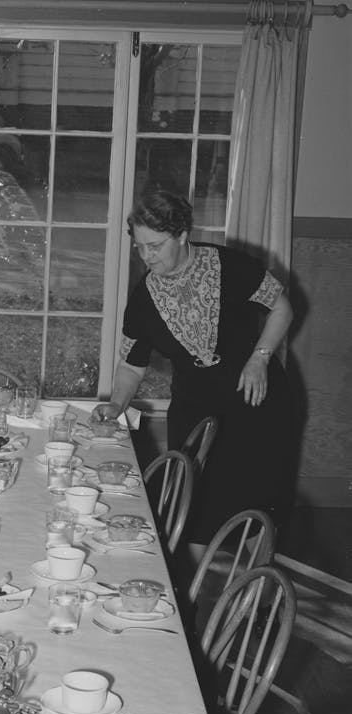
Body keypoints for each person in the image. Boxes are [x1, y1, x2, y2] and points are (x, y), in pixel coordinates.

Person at [94, 189, 293, 564]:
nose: (146, 257)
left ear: (182, 234)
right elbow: (131, 365)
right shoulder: (143, 299)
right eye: (139, 247)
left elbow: (282, 307)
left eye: (155, 246)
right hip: (197, 412)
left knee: (258, 508)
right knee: (194, 508)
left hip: (256, 400)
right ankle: (192, 604)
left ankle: (258, 596)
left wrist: (260, 358)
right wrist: (117, 404)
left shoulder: (230, 266)